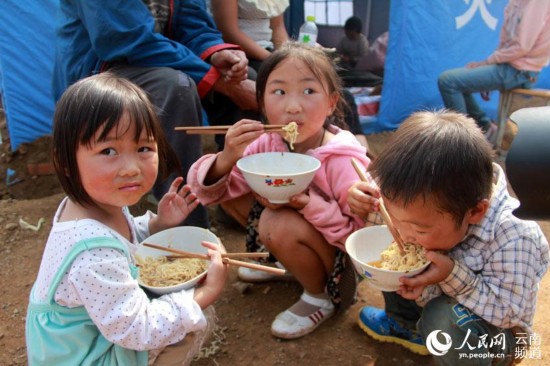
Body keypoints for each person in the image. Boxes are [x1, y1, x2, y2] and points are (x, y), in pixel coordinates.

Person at [26, 74, 228, 365]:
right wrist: (206, 293)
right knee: (188, 322)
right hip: (84, 357)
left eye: (144, 148)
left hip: (80, 342)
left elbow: (123, 236)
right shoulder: (93, 254)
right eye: (108, 151)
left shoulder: (93, 204)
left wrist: (158, 225)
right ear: (65, 162)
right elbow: (137, 329)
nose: (131, 168)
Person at [187, 41, 380, 339]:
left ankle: (318, 296)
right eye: (279, 92)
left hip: (341, 264)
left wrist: (307, 205)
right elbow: (211, 192)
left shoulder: (343, 158)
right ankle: (288, 262)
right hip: (306, 237)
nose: (293, 106)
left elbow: (356, 239)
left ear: (331, 102)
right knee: (235, 186)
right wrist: (226, 157)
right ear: (261, 103)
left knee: (276, 222)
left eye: (309, 91)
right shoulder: (268, 143)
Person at [347, 109, 549, 364]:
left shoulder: (516, 236)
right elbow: (383, 202)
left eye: (420, 229)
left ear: (475, 211)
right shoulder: (416, 198)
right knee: (392, 257)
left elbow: (508, 313)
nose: (404, 233)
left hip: (500, 335)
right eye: (396, 219)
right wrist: (360, 199)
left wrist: (451, 274)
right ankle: (407, 326)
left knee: (442, 318)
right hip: (439, 298)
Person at [52, 0, 260, 229]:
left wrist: (216, 56)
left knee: (241, 76)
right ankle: (185, 225)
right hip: (101, 69)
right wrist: (216, 80)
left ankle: (235, 199)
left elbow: (194, 25)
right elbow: (123, 38)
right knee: (176, 88)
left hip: (160, 59)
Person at [437, 0, 550, 142]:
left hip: (520, 71)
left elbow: (522, 47)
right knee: (456, 81)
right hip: (509, 66)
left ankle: (464, 142)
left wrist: (488, 62)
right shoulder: (514, 3)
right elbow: (504, 42)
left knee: (448, 81)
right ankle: (486, 128)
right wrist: (488, 67)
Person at [209, 0, 289, 72]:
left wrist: (287, 56)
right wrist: (272, 59)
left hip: (268, 50)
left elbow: (277, 28)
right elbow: (228, 32)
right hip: (238, 53)